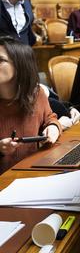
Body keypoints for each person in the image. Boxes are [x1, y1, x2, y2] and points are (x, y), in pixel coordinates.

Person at [0, 36, 62, 175]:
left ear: (20, 65)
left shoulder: (37, 94)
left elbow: (50, 118)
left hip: (33, 174)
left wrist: (53, 127)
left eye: (0, 60)